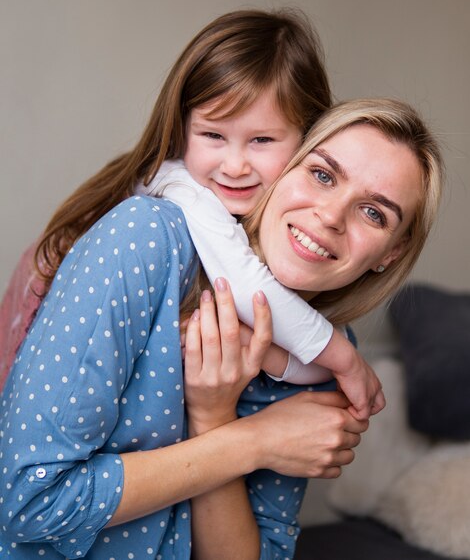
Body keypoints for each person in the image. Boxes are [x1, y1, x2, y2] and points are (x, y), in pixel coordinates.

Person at [0, 97, 443, 559]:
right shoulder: (147, 239)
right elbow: (32, 504)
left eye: (374, 213)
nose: (331, 216)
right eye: (323, 174)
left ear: (392, 252)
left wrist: (213, 416)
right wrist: (255, 442)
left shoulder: (324, 365)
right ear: (286, 166)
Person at [0, 9, 382, 420]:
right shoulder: (177, 188)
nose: (235, 165)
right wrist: (344, 359)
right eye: (213, 135)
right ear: (181, 127)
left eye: (262, 140)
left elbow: (296, 354)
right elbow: (251, 287)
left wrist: (267, 348)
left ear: (307, 138)